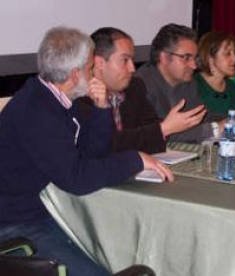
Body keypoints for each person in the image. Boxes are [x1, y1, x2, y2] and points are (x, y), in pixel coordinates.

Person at [0, 26, 173, 276]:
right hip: (14, 224)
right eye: (91, 68)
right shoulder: (37, 110)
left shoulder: (55, 99)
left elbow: (93, 155)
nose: (95, 74)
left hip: (39, 213)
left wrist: (102, 109)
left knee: (114, 251)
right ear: (74, 74)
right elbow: (76, 179)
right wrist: (133, 160)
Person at [76, 27, 205, 154]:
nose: (132, 68)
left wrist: (161, 130)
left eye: (132, 60)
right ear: (99, 63)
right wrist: (163, 129)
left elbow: (151, 135)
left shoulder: (134, 87)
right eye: (125, 60)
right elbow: (107, 144)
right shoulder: (80, 97)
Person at [137, 23, 228, 143]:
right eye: (186, 58)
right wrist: (214, 129)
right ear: (164, 57)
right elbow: (163, 134)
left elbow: (200, 118)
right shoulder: (139, 85)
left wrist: (231, 119)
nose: (194, 66)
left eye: (194, 58)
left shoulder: (188, 82)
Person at [195, 31, 235, 129]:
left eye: (234, 53)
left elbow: (228, 123)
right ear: (210, 58)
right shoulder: (193, 85)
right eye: (227, 54)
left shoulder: (231, 86)